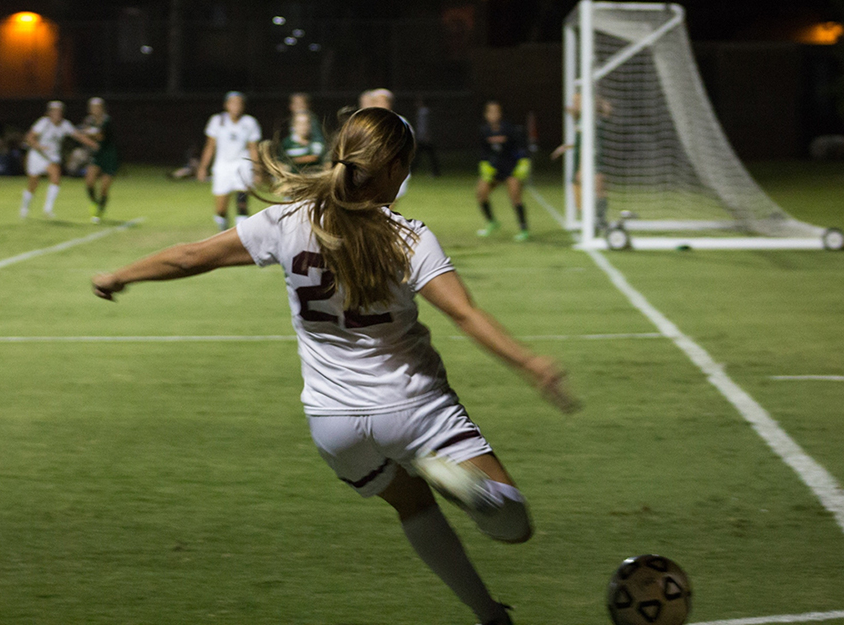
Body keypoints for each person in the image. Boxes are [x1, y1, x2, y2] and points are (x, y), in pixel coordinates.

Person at [92, 107, 578, 625]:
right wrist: (529, 362)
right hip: (415, 407)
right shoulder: (407, 236)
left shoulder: (287, 220)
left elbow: (191, 257)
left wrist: (122, 274)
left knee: (411, 506)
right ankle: (468, 487)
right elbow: (463, 313)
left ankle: (488, 614)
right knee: (513, 524)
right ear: (391, 167)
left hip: (334, 423)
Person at [20, 101, 99, 219]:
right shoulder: (43, 123)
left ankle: (48, 209)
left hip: (52, 157)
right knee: (33, 185)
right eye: (55, 111)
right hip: (38, 155)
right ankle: (25, 207)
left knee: (56, 177)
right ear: (49, 113)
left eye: (59, 112)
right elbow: (30, 137)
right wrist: (38, 146)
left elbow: (78, 136)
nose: (57, 114)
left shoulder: (65, 124)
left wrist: (93, 144)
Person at [196, 91, 261, 231]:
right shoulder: (217, 121)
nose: (236, 106)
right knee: (220, 209)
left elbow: (253, 148)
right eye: (233, 103)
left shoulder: (249, 122)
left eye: (239, 103)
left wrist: (257, 170)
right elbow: (210, 146)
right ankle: (223, 226)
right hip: (223, 166)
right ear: (226, 105)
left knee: (242, 203)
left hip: (243, 165)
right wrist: (203, 167)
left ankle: (241, 237)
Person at [551, 92, 610, 232]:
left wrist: (582, 168)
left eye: (577, 101)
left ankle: (599, 221)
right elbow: (579, 142)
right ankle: (593, 221)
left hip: (593, 160)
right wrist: (565, 147)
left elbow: (607, 111)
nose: (574, 104)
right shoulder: (580, 119)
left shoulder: (592, 118)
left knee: (598, 189)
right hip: (582, 160)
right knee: (581, 193)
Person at [476, 101, 530, 240]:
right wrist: (484, 164)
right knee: (481, 194)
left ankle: (524, 229)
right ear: (486, 115)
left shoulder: (509, 129)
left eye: (496, 111)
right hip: (494, 169)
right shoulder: (484, 130)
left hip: (510, 167)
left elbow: (521, 147)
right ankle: (492, 222)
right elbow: (484, 151)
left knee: (515, 198)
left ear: (500, 114)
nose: (493, 115)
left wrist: (523, 162)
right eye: (490, 112)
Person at [82, 97, 119, 224]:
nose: (95, 110)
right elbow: (84, 134)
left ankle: (99, 211)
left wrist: (88, 133)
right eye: (92, 107)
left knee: (104, 188)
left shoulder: (107, 121)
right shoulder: (89, 121)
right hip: (97, 155)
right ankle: (93, 202)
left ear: (102, 108)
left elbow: (100, 136)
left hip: (109, 155)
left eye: (97, 107)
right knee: (89, 182)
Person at [412, 96, 440, 177]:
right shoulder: (422, 112)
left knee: (421, 155)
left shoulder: (424, 112)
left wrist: (426, 135)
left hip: (424, 138)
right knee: (423, 155)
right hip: (422, 137)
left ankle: (435, 172)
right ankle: (436, 171)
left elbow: (425, 125)